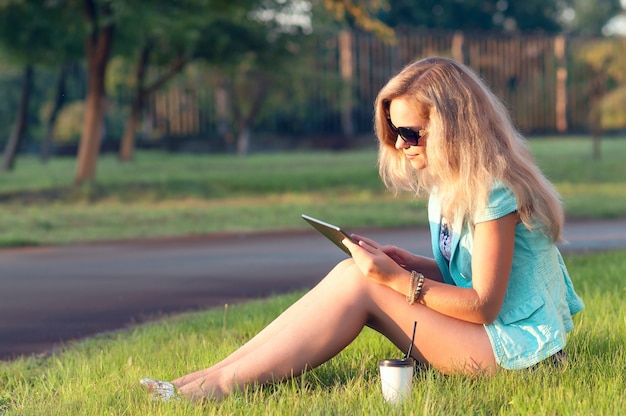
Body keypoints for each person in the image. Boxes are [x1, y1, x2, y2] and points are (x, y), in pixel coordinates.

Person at [141, 56, 584, 402]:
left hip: (519, 357)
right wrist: (415, 265)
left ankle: (217, 389)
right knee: (351, 274)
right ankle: (211, 377)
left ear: (453, 126)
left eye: (411, 132)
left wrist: (396, 280)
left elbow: (484, 305)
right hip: (497, 340)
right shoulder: (452, 187)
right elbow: (475, 275)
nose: (399, 144)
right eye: (393, 131)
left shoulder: (492, 192)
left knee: (363, 285)